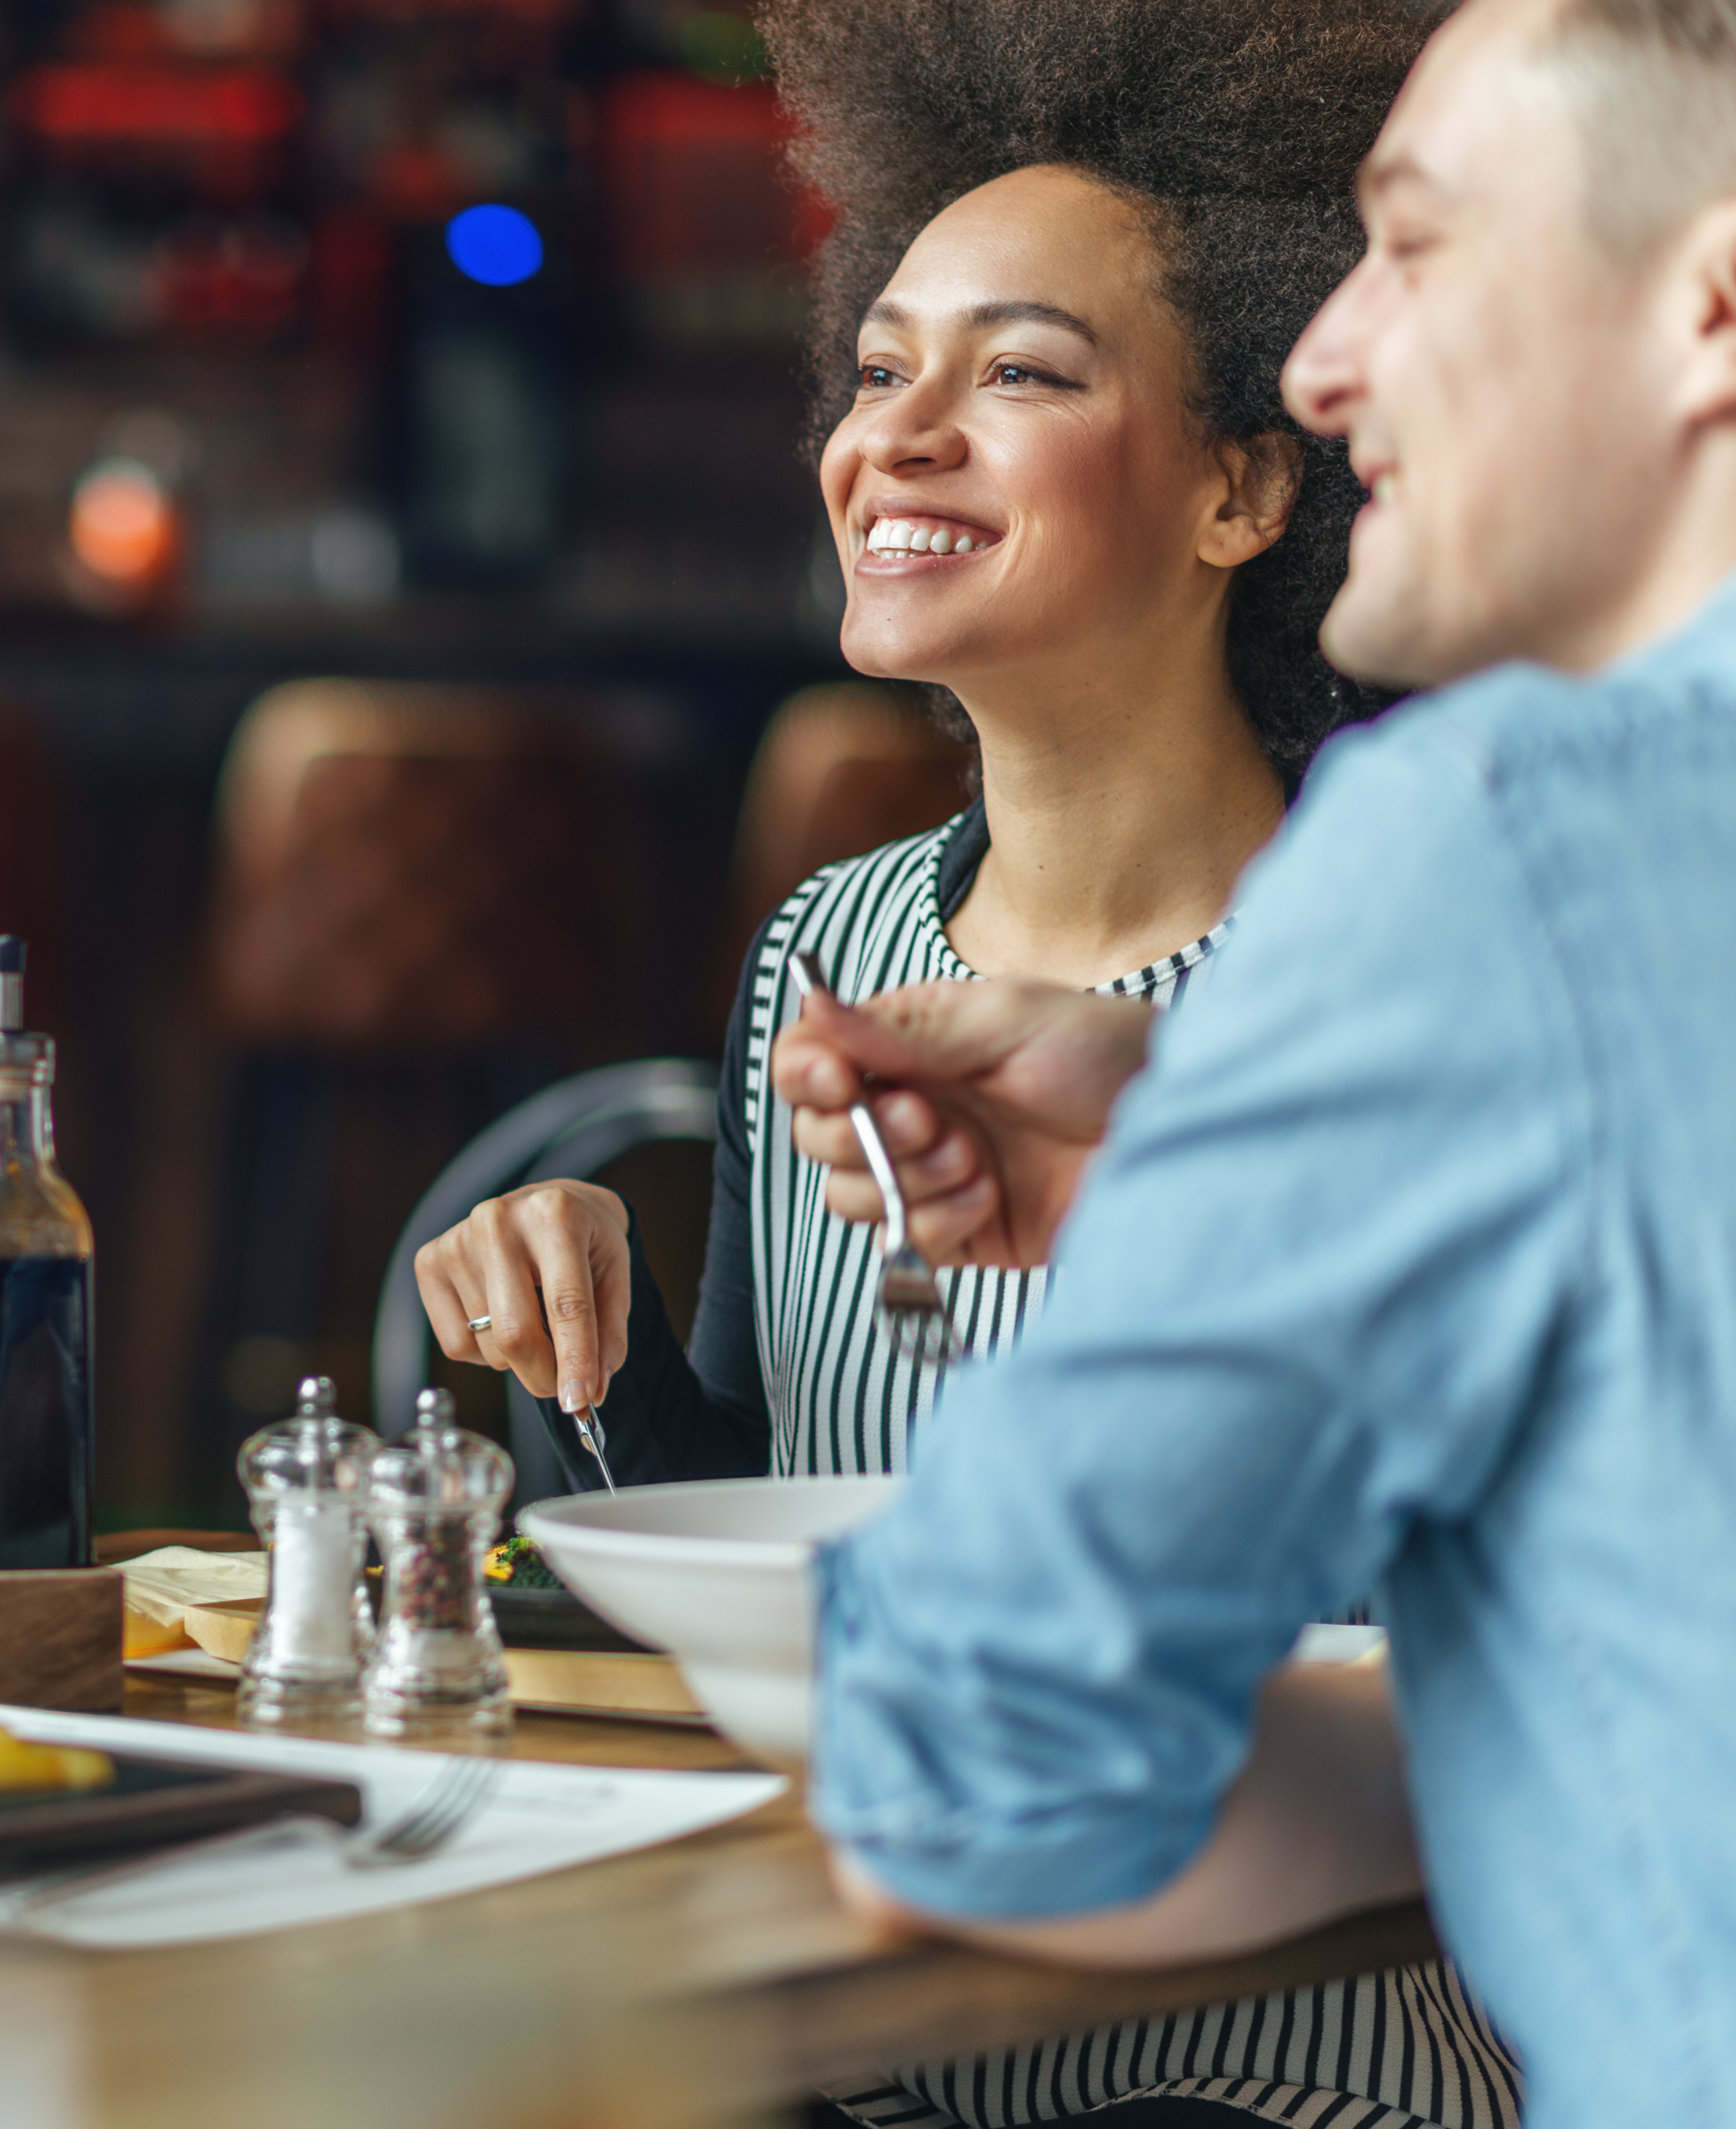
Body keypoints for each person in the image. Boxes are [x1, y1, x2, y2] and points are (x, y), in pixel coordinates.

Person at [414, 2, 1521, 2121]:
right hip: (868, 2057)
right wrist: (592, 1346)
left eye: (1017, 371)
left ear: (1240, 489)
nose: (895, 433)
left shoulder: (1410, 962)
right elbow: (752, 1540)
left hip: (1269, 2088)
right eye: (879, 363)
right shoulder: (820, 956)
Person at [762, 1, 1736, 2123]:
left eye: (1419, 246)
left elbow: (967, 1758)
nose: (1323, 352)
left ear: (1710, 307)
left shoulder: (1489, 842)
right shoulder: (831, 950)